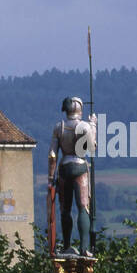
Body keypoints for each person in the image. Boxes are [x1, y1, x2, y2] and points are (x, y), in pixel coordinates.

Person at [49, 96, 96, 258]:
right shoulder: (84, 126)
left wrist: (51, 176)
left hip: (64, 167)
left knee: (65, 209)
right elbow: (92, 148)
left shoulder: (59, 127)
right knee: (83, 207)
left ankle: (67, 245)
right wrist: (93, 126)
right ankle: (84, 247)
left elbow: (53, 154)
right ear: (79, 109)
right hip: (80, 166)